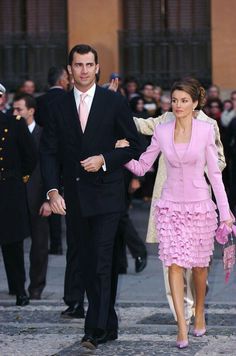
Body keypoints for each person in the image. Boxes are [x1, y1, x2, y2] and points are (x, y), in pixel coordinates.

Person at [40, 44, 141, 350]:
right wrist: (52, 191)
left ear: (97, 68)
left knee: (99, 261)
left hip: (108, 195)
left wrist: (105, 158)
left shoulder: (113, 102)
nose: (83, 70)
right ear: (70, 69)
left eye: (89, 64)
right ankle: (108, 324)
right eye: (78, 65)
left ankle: (93, 330)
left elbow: (133, 145)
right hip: (74, 197)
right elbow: (48, 151)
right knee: (89, 262)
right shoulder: (57, 106)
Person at [123, 78, 232, 348]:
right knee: (173, 264)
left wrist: (226, 213)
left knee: (198, 269)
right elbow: (142, 166)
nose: (178, 105)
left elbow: (215, 176)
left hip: (199, 208)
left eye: (184, 100)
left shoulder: (206, 131)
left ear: (195, 103)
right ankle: (181, 328)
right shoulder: (162, 130)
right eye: (174, 100)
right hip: (170, 208)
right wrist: (122, 155)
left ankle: (200, 312)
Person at [0, 83, 37, 306]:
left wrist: (18, 177)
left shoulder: (14, 124)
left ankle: (19, 288)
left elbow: (30, 156)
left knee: (12, 243)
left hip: (8, 190)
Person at [13, 93, 51, 300]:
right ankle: (16, 285)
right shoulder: (9, 133)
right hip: (15, 198)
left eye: (19, 109)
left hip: (38, 197)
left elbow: (50, 168)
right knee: (13, 244)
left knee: (39, 247)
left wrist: (48, 198)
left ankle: (36, 287)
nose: (15, 113)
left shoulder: (43, 135)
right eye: (14, 109)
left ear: (31, 111)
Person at [36, 66, 70, 256]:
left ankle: (54, 243)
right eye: (66, 77)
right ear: (60, 80)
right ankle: (59, 242)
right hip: (67, 154)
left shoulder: (40, 101)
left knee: (51, 193)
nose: (68, 81)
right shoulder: (67, 99)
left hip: (46, 154)